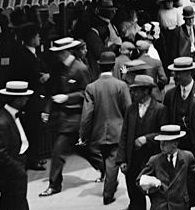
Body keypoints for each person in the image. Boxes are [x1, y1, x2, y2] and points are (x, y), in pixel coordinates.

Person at [41, 36, 92, 197]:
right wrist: (46, 110)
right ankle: (105, 167)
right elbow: (51, 90)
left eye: (59, 52)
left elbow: (86, 92)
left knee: (58, 152)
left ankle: (54, 185)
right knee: (82, 149)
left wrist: (67, 97)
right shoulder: (57, 68)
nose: (57, 55)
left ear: (66, 52)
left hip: (74, 116)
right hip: (60, 116)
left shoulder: (80, 68)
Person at [80, 51, 132, 205]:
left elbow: (87, 115)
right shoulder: (121, 85)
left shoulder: (91, 87)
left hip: (99, 131)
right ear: (113, 65)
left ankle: (109, 186)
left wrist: (83, 134)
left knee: (107, 159)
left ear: (99, 66)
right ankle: (108, 193)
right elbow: (128, 110)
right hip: (118, 130)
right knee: (112, 161)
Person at [163, 56, 195, 205]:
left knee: (193, 189)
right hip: (176, 150)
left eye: (179, 73)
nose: (176, 76)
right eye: (175, 73)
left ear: (189, 72)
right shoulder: (170, 95)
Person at [118, 74, 167, 210]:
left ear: (146, 91)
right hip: (133, 161)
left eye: (136, 90)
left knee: (156, 197)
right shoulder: (130, 109)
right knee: (135, 198)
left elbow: (164, 135)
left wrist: (147, 139)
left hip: (151, 162)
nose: (132, 93)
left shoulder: (159, 109)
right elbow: (124, 135)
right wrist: (122, 160)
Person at [0, 80, 33, 210]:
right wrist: (18, 169)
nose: (27, 99)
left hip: (17, 171)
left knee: (8, 205)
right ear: (17, 100)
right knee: (18, 205)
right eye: (24, 97)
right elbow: (0, 153)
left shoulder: (12, 116)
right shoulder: (2, 123)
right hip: (11, 175)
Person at [9, 22, 49, 171]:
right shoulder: (23, 55)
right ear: (31, 38)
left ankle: (35, 157)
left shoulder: (34, 53)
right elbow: (27, 75)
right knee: (31, 129)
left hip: (37, 97)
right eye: (37, 35)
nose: (39, 38)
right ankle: (32, 159)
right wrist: (41, 78)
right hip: (30, 99)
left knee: (36, 129)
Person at [138, 124, 195, 210]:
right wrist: (151, 187)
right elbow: (139, 181)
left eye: (165, 142)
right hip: (160, 206)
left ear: (175, 143)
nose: (161, 145)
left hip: (180, 206)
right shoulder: (154, 160)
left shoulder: (187, 157)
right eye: (160, 142)